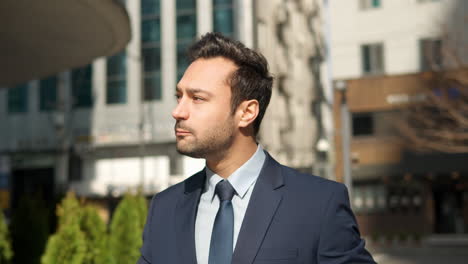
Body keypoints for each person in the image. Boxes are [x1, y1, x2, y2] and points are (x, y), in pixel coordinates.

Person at [137, 32, 375, 264]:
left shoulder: (318, 205)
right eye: (179, 97)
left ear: (247, 112)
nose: (178, 111)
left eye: (197, 98)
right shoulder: (164, 208)